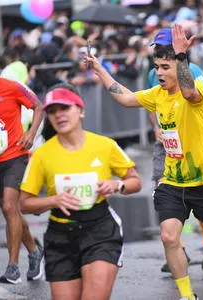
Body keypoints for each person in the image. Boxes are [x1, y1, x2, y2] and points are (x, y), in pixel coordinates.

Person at [86, 24, 203, 300]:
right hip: (172, 180)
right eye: (157, 66)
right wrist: (100, 70)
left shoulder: (194, 89)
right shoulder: (156, 94)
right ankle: (188, 296)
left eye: (164, 67)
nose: (158, 73)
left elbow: (191, 92)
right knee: (168, 236)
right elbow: (126, 97)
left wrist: (180, 57)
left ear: (178, 68)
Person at [19, 83, 142, 300]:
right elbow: (24, 203)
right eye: (52, 111)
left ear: (81, 110)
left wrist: (117, 185)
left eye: (64, 108)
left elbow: (134, 181)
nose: (59, 115)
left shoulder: (104, 145)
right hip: (60, 235)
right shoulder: (42, 155)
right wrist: (53, 200)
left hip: (100, 231)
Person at [148, 28, 203, 271]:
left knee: (197, 198)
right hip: (165, 142)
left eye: (162, 48)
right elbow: (152, 102)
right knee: (162, 190)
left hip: (190, 142)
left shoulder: (193, 71)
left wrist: (190, 120)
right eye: (155, 49)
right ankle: (176, 248)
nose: (157, 55)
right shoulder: (153, 73)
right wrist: (156, 127)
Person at [0, 49, 44, 284]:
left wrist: (31, 133)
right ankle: (34, 250)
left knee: (10, 207)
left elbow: (38, 106)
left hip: (14, 156)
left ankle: (12, 267)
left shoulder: (11, 87)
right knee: (11, 213)